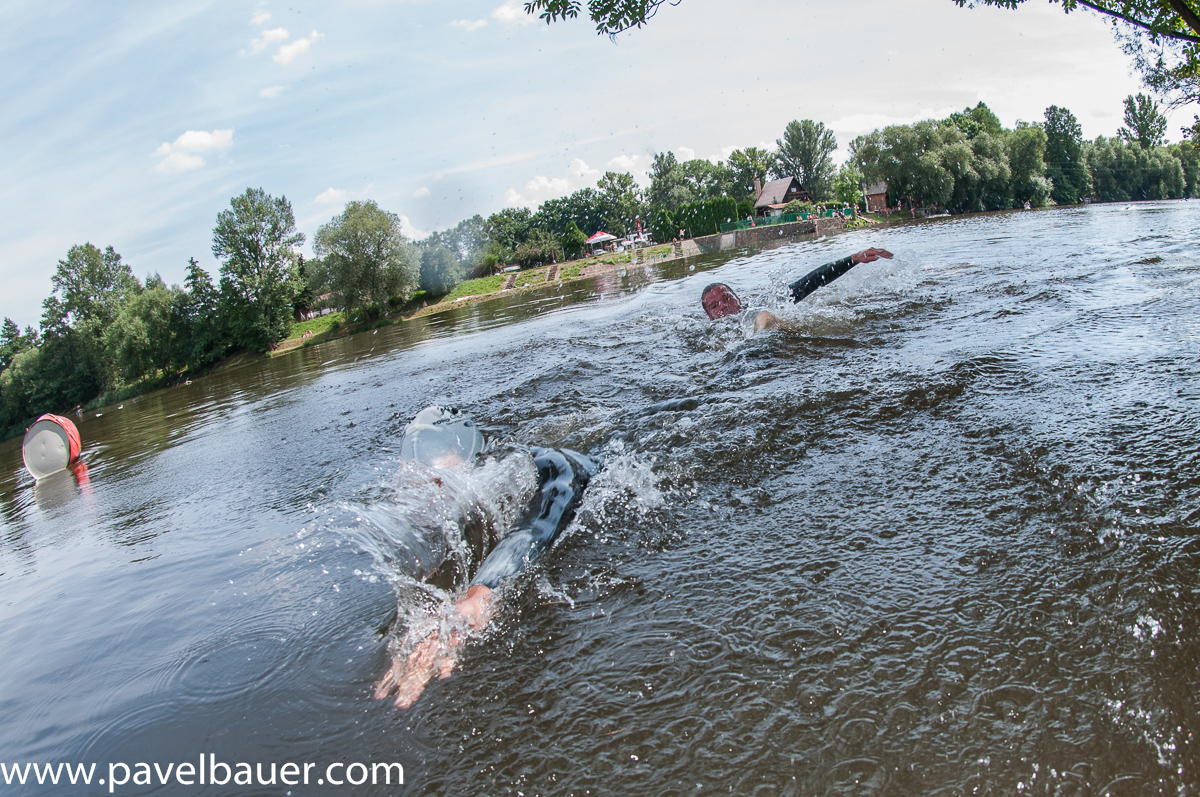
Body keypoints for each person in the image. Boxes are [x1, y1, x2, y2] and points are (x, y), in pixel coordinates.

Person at [374, 406, 598, 708]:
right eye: (418, 485)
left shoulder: (538, 467)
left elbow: (540, 520)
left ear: (476, 463)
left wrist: (481, 591)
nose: (432, 496)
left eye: (441, 481)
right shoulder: (427, 506)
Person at [701, 248, 894, 332]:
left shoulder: (762, 305)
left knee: (763, 316)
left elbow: (810, 282)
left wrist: (852, 260)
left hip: (771, 334)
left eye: (726, 298)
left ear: (738, 299)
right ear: (710, 317)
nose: (723, 306)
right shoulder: (711, 334)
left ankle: (760, 335)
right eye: (714, 306)